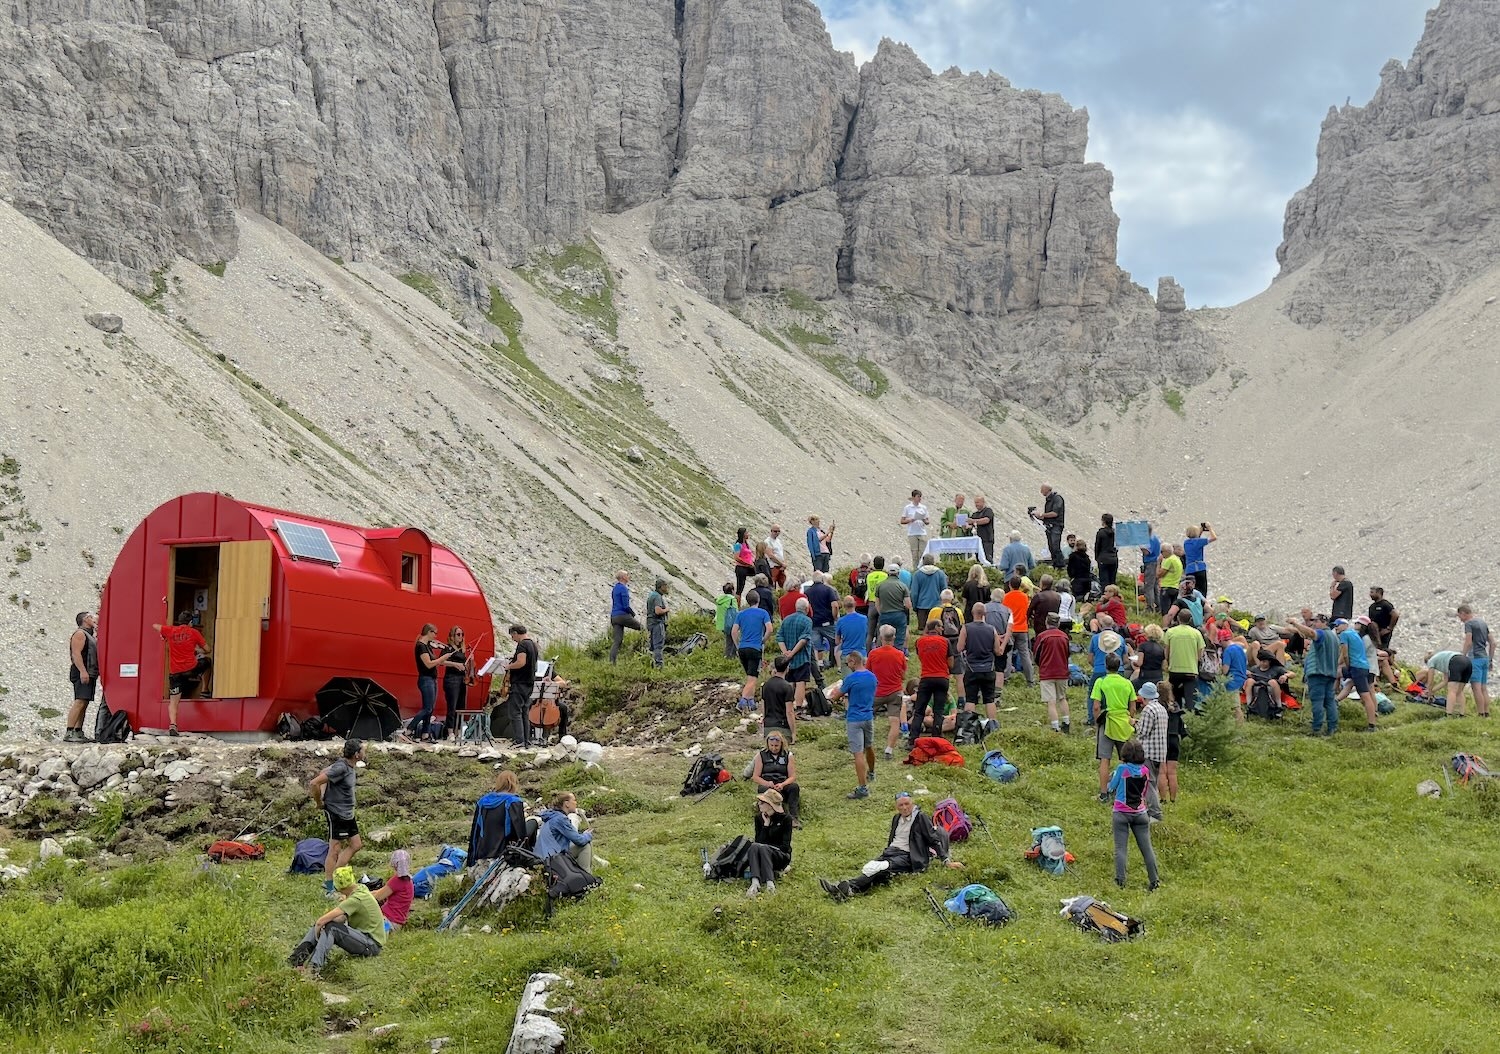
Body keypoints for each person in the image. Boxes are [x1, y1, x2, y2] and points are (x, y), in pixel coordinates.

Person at [818, 792, 961, 901]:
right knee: (872, 870)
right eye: (901, 805)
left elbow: (933, 839)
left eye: (907, 804)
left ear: (912, 804)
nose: (904, 808)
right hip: (891, 852)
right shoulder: (896, 818)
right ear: (896, 807)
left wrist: (946, 861)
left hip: (908, 856)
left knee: (882, 867)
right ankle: (847, 890)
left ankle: (844, 887)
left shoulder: (920, 817)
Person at [287, 866, 385, 973]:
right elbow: (340, 918)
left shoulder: (356, 899)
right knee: (327, 923)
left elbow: (321, 922)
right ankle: (296, 960)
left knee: (330, 927)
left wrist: (318, 933)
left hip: (371, 945)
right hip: (364, 938)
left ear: (341, 888)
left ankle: (313, 969)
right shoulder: (360, 889)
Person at [310, 739, 365, 896]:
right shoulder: (341, 768)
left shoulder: (347, 765)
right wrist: (319, 802)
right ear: (356, 754)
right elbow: (315, 782)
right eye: (363, 750)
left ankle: (335, 879)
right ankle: (329, 888)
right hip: (337, 813)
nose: (365, 752)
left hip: (348, 813)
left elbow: (324, 772)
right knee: (335, 849)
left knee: (356, 845)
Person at [1107, 740, 1160, 891]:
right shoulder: (1144, 771)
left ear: (1124, 754)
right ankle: (1154, 880)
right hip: (1140, 813)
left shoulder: (1122, 769)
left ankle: (1120, 880)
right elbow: (1143, 792)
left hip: (1121, 812)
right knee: (1147, 849)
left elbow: (1111, 788)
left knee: (1121, 848)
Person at [826, 650, 878, 799]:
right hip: (868, 716)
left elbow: (835, 697)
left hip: (854, 718)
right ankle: (872, 772)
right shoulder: (872, 677)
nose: (847, 665)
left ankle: (862, 788)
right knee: (869, 746)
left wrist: (836, 693)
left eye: (848, 662)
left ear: (854, 661)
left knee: (858, 753)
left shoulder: (851, 678)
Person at [152, 611, 209, 736]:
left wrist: (163, 634)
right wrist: (196, 649)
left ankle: (173, 724)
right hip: (191, 670)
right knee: (206, 661)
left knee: (174, 701)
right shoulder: (194, 632)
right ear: (190, 622)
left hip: (175, 673)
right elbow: (208, 649)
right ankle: (205, 690)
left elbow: (154, 625)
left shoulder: (171, 631)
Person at [1287, 611, 1340, 735]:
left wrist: (1295, 623)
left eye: (1316, 621)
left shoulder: (1322, 634)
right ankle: (1332, 727)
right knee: (1329, 701)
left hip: (1318, 672)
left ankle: (1317, 728)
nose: (1314, 624)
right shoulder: (1334, 638)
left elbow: (1311, 633)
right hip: (1330, 673)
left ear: (1324, 623)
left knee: (1317, 701)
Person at [1092, 654, 1136, 797]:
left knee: (1105, 759)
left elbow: (1096, 706)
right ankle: (1127, 791)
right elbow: (1133, 707)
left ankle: (1104, 793)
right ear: (1119, 666)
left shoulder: (1101, 682)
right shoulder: (1127, 683)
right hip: (1123, 723)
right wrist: (1129, 719)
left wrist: (1097, 722)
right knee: (1126, 759)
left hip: (1107, 723)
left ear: (1106, 666)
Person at [867, 625, 908, 760]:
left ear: (881, 637)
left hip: (877, 692)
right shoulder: (900, 655)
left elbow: (869, 673)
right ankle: (889, 750)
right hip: (895, 692)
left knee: (865, 716)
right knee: (895, 722)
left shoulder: (873, 654)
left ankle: (864, 744)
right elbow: (903, 676)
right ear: (894, 638)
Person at [958, 603, 1002, 723]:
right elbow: (998, 651)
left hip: (972, 668)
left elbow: (959, 647)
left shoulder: (966, 628)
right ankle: (992, 725)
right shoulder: (992, 629)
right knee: (989, 699)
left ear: (972, 613)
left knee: (971, 699)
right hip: (988, 668)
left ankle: (969, 726)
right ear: (985, 614)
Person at [911, 619, 952, 746]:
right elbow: (950, 662)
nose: (943, 629)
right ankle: (937, 738)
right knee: (938, 710)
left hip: (926, 677)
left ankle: (912, 740)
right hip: (942, 678)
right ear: (935, 627)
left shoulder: (919, 641)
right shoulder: (945, 641)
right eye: (941, 626)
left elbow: (921, 657)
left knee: (919, 711)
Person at [746, 789, 793, 897]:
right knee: (754, 846)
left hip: (780, 856)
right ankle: (755, 882)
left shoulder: (786, 819)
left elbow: (785, 846)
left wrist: (767, 848)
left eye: (762, 802)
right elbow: (758, 841)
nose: (759, 804)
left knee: (763, 848)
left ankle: (770, 883)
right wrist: (766, 826)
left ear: (770, 805)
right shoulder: (759, 818)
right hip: (763, 854)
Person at [496, 625, 538, 744]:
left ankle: (519, 741)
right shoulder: (533, 645)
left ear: (515, 633)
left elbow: (521, 662)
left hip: (519, 683)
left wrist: (508, 666)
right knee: (525, 712)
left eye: (512, 635)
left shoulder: (522, 645)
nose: (512, 638)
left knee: (515, 712)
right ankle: (526, 740)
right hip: (529, 683)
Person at [1333, 617, 1377, 732]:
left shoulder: (1344, 635)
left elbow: (1345, 654)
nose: (1336, 627)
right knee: (1347, 684)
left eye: (1338, 625)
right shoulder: (1354, 633)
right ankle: (1335, 700)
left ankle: (1372, 724)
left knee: (1365, 696)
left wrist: (1346, 666)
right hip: (1364, 667)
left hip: (1356, 668)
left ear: (1344, 625)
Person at [750, 732, 800, 830]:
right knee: (763, 789)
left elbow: (792, 776)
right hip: (768, 783)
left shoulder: (788, 755)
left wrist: (783, 784)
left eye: (776, 746)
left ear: (781, 744)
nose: (774, 748)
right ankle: (769, 817)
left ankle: (793, 818)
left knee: (794, 787)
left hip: (782, 783)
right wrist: (767, 783)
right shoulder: (761, 755)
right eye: (771, 745)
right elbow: (755, 777)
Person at [534, 792, 594, 871]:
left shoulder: (552, 816)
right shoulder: (560, 819)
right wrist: (588, 835)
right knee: (585, 845)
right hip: (551, 860)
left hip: (543, 857)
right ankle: (585, 877)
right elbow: (580, 840)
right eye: (574, 800)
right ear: (567, 804)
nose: (576, 803)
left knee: (582, 842)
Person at [1134, 683, 1168, 821]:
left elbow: (1143, 732)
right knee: (1152, 782)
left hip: (1148, 751)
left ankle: (1155, 813)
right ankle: (1151, 810)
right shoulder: (1161, 708)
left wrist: (1134, 724)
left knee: (1148, 784)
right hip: (1160, 753)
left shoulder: (1148, 710)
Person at [1034, 612, 1072, 733]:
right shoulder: (1064, 637)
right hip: (1062, 671)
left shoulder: (1042, 636)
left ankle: (1055, 726)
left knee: (1051, 701)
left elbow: (1036, 654)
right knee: (1062, 698)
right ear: (1058, 623)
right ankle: (1066, 722)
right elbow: (1068, 653)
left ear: (1047, 622)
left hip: (1047, 672)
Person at [777, 598, 817, 712]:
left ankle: (787, 706)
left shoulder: (786, 620)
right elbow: (803, 640)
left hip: (788, 658)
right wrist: (793, 652)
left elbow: (779, 637)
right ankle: (798, 707)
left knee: (789, 681)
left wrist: (785, 652)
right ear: (807, 608)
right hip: (802, 657)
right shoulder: (807, 621)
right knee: (801, 682)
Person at [733, 600, 774, 710]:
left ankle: (751, 702)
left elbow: (734, 631)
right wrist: (763, 640)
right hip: (755, 648)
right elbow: (770, 629)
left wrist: (738, 645)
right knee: (753, 678)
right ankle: (742, 702)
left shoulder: (740, 614)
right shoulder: (763, 613)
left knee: (749, 675)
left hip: (742, 648)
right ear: (758, 600)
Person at [65, 611, 99, 742]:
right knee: (79, 701)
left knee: (84, 702)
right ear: (85, 620)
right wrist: (83, 671)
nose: (94, 619)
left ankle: (78, 731)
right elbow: (76, 654)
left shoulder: (90, 635)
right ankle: (69, 731)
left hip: (89, 672)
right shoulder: (80, 634)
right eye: (90, 617)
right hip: (82, 671)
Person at [1164, 611, 1206, 715]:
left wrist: (1169, 662)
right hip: (1191, 670)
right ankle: (1188, 724)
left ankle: (1176, 723)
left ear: (1178, 618)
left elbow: (1166, 651)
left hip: (1174, 670)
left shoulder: (1170, 632)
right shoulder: (1196, 633)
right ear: (1190, 619)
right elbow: (1201, 653)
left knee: (1175, 697)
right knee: (1190, 699)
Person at [406, 624, 442, 742]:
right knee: (427, 708)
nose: (436, 636)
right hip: (426, 679)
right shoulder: (421, 646)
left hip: (432, 679)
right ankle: (409, 730)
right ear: (429, 632)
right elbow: (429, 664)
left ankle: (425, 734)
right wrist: (443, 658)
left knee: (430, 708)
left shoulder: (427, 646)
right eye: (435, 633)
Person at [438, 626, 473, 741]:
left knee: (461, 706)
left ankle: (458, 732)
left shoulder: (462, 650)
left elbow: (465, 666)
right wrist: (454, 664)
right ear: (452, 636)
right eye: (458, 634)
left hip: (462, 679)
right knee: (452, 706)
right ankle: (450, 732)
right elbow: (441, 661)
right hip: (451, 679)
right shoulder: (448, 648)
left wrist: (470, 660)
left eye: (462, 634)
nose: (461, 637)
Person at [1459, 604, 1493, 717]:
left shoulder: (1468, 624)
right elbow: (1493, 643)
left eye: (1460, 616)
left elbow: (1468, 642)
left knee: (1476, 688)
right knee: (1483, 688)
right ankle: (1486, 713)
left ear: (1463, 613)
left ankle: (1480, 713)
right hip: (1484, 658)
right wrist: (1490, 659)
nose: (1460, 619)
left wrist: (1463, 656)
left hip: (1475, 658)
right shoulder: (1482, 622)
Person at [1000, 579, 1035, 685]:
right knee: (1024, 653)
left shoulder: (1005, 597)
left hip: (1010, 628)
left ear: (1010, 585)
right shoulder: (1025, 597)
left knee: (1008, 653)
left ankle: (1006, 677)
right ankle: (1030, 679)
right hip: (1022, 628)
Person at [872, 562, 913, 650]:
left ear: (888, 573)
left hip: (885, 614)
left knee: (884, 637)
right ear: (898, 573)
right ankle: (898, 656)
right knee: (899, 640)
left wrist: (881, 613)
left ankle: (884, 656)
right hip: (899, 615)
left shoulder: (880, 586)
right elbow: (908, 604)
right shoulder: (903, 586)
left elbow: (877, 603)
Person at [372, 850, 414, 933]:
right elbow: (381, 891)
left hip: (389, 921)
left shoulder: (397, 880)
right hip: (397, 922)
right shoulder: (408, 881)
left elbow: (377, 896)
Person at [806, 572, 840, 669]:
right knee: (834, 641)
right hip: (827, 621)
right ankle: (836, 664)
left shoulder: (807, 592)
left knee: (817, 645)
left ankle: (819, 664)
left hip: (814, 622)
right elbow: (835, 605)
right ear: (822, 579)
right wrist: (834, 617)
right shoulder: (828, 590)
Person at [1424, 649, 1473, 717]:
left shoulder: (1431, 661)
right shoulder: (1442, 659)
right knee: (1459, 691)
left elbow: (1430, 680)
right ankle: (1461, 714)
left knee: (1452, 691)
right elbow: (1445, 681)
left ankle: (1448, 714)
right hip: (1467, 662)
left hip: (1456, 662)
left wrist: (1428, 691)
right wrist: (1432, 691)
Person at [759, 656, 797, 742]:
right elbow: (789, 712)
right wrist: (793, 732)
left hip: (768, 726)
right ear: (787, 668)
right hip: (782, 726)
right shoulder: (787, 687)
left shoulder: (766, 685)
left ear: (775, 668)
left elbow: (763, 708)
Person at [608, 571, 643, 665]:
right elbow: (625, 605)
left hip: (614, 616)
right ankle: (645, 649)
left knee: (617, 641)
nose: (629, 576)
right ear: (623, 577)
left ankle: (612, 662)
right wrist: (632, 614)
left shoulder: (615, 588)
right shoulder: (623, 589)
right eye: (627, 575)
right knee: (643, 629)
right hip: (622, 615)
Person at [1246, 649, 1291, 717]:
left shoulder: (1276, 668)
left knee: (1272, 682)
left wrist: (1285, 676)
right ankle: (1249, 705)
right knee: (1249, 681)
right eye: (1261, 661)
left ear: (1269, 661)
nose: (1262, 663)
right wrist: (1248, 674)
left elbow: (1292, 674)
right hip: (1256, 692)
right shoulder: (1254, 669)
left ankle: (1278, 707)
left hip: (1271, 692)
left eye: (1264, 662)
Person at [909, 554, 948, 628]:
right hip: (937, 606)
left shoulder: (917, 574)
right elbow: (944, 590)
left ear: (923, 562)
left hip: (922, 606)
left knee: (923, 630)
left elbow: (914, 593)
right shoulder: (940, 574)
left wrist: (914, 606)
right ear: (933, 561)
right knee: (937, 629)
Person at [1032, 484, 1065, 567]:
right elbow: (1049, 516)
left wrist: (1042, 514)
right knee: (1051, 548)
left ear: (1047, 489)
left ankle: (1060, 566)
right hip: (1049, 526)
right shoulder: (1049, 500)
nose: (1041, 491)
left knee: (1055, 547)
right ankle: (1056, 565)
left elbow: (1055, 513)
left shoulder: (1057, 498)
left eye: (1042, 489)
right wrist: (1039, 517)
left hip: (1056, 526)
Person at [834, 596, 869, 669]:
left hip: (847, 655)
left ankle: (839, 668)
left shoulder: (841, 621)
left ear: (844, 606)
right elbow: (867, 635)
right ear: (855, 604)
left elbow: (837, 641)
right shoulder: (864, 619)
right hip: (861, 654)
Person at [900, 488, 931, 568]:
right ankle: (915, 570)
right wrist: (910, 519)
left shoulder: (923, 508)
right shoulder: (908, 508)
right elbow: (902, 520)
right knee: (914, 554)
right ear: (913, 497)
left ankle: (922, 569)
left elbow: (927, 521)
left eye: (920, 497)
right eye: (918, 497)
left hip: (922, 532)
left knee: (922, 553)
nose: (919, 498)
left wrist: (924, 520)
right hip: (912, 533)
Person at [1182, 523, 1216, 595]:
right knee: (1202, 591)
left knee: (1191, 591)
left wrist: (1201, 530)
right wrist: (1209, 528)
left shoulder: (1186, 543)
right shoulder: (1199, 542)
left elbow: (1196, 539)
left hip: (1189, 570)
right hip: (1199, 568)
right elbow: (1214, 537)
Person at [1132, 624, 1166, 691]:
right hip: (1158, 676)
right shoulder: (1161, 648)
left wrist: (1133, 662)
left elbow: (1139, 663)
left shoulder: (1143, 646)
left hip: (1145, 676)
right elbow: (1164, 667)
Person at [1221, 633, 1248, 719]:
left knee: (1236, 707)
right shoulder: (1240, 648)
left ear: (1222, 640)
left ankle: (1239, 728)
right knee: (1235, 705)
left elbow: (1225, 670)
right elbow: (1246, 662)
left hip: (1233, 680)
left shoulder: (1228, 651)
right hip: (1241, 678)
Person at [645, 579, 670, 669]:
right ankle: (659, 667)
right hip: (657, 623)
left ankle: (649, 665)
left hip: (650, 623)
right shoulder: (658, 597)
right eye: (666, 586)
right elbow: (658, 611)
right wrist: (666, 609)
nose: (667, 588)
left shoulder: (652, 595)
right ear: (661, 587)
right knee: (658, 646)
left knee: (651, 646)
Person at [1140, 523, 1162, 613]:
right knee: (1155, 586)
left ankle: (1149, 607)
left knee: (1148, 586)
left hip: (1150, 563)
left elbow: (1147, 552)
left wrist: (1140, 545)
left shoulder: (1150, 540)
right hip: (1154, 563)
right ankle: (1158, 605)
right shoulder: (1154, 538)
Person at [1095, 513, 1118, 594]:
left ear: (1103, 521)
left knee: (1104, 581)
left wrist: (1097, 558)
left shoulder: (1101, 532)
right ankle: (1114, 597)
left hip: (1103, 558)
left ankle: (1105, 598)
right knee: (1112, 581)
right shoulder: (1115, 533)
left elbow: (1097, 546)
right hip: (1113, 558)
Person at [1158, 544, 1184, 616]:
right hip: (1175, 587)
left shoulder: (1169, 560)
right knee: (1172, 612)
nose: (1161, 554)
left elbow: (1159, 574)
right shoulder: (1177, 559)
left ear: (1166, 552)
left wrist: (1158, 563)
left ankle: (1165, 626)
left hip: (1167, 586)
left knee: (1165, 611)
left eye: (1161, 552)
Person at [969, 496, 996, 563]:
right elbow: (970, 525)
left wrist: (973, 521)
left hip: (987, 540)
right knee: (978, 560)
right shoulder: (975, 514)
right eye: (975, 503)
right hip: (977, 541)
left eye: (978, 502)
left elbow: (986, 520)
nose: (976, 504)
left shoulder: (988, 511)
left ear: (983, 502)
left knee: (987, 559)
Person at [716, 583, 738, 659]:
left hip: (722, 623)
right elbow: (735, 612)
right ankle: (732, 656)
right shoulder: (732, 599)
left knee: (728, 639)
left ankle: (728, 655)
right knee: (734, 639)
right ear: (732, 590)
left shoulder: (720, 599)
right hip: (731, 623)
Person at [732, 528, 756, 597]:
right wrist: (747, 564)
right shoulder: (738, 545)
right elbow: (736, 557)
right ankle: (737, 604)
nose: (748, 534)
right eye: (746, 533)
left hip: (748, 567)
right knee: (740, 588)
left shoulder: (745, 544)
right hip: (741, 567)